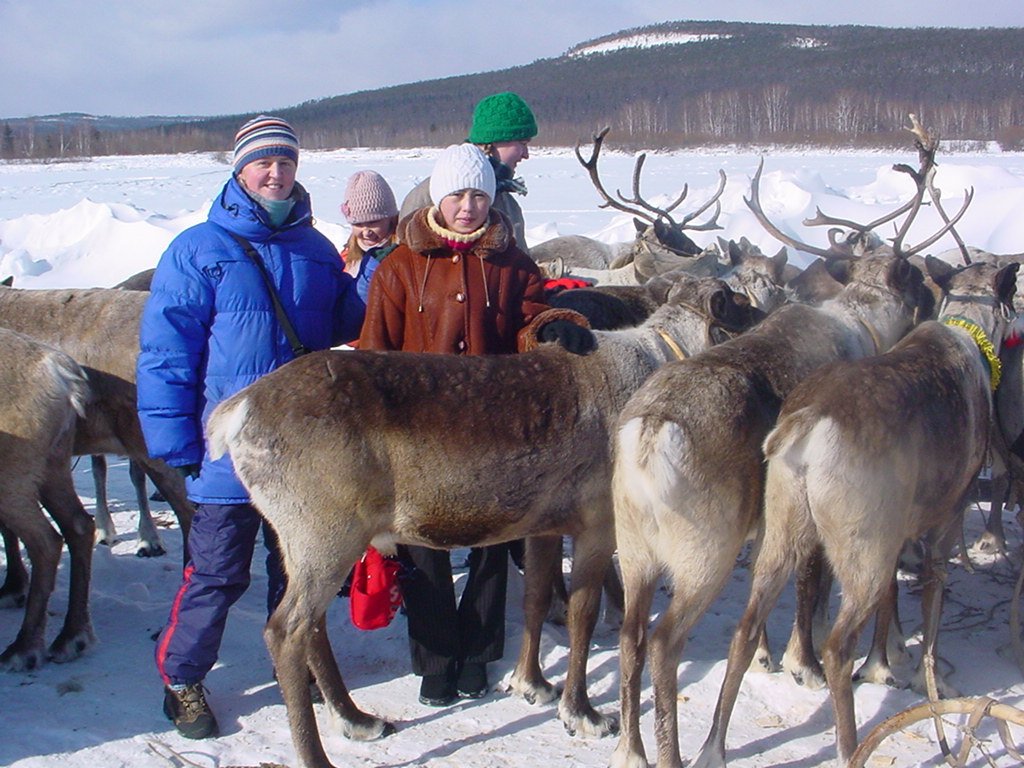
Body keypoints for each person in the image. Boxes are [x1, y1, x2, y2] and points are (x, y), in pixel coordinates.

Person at [137, 115, 365, 740]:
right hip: (227, 451)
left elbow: (346, 322)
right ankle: (182, 679)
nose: (276, 173)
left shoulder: (317, 248)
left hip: (304, 452)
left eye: (286, 163)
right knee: (216, 572)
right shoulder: (197, 250)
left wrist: (371, 266)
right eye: (264, 163)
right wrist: (174, 443)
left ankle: (293, 665)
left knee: (297, 569)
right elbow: (166, 355)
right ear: (239, 171)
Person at [359, 142, 595, 707]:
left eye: (480, 195)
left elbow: (536, 315)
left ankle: (482, 651)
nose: (468, 206)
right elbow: (375, 353)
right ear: (439, 196)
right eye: (458, 194)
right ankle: (437, 657)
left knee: (495, 546)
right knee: (423, 548)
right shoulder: (400, 265)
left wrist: (558, 325)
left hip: (497, 432)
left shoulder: (512, 263)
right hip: (420, 435)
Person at [399, 91, 536, 256]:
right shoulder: (429, 196)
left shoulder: (508, 203)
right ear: (493, 143)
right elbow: (405, 266)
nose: (526, 154)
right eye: (521, 144)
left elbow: (521, 269)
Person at [340, 170, 399, 306]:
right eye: (358, 224)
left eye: (373, 223)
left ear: (390, 219)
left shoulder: (402, 255)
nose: (366, 232)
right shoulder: (347, 258)